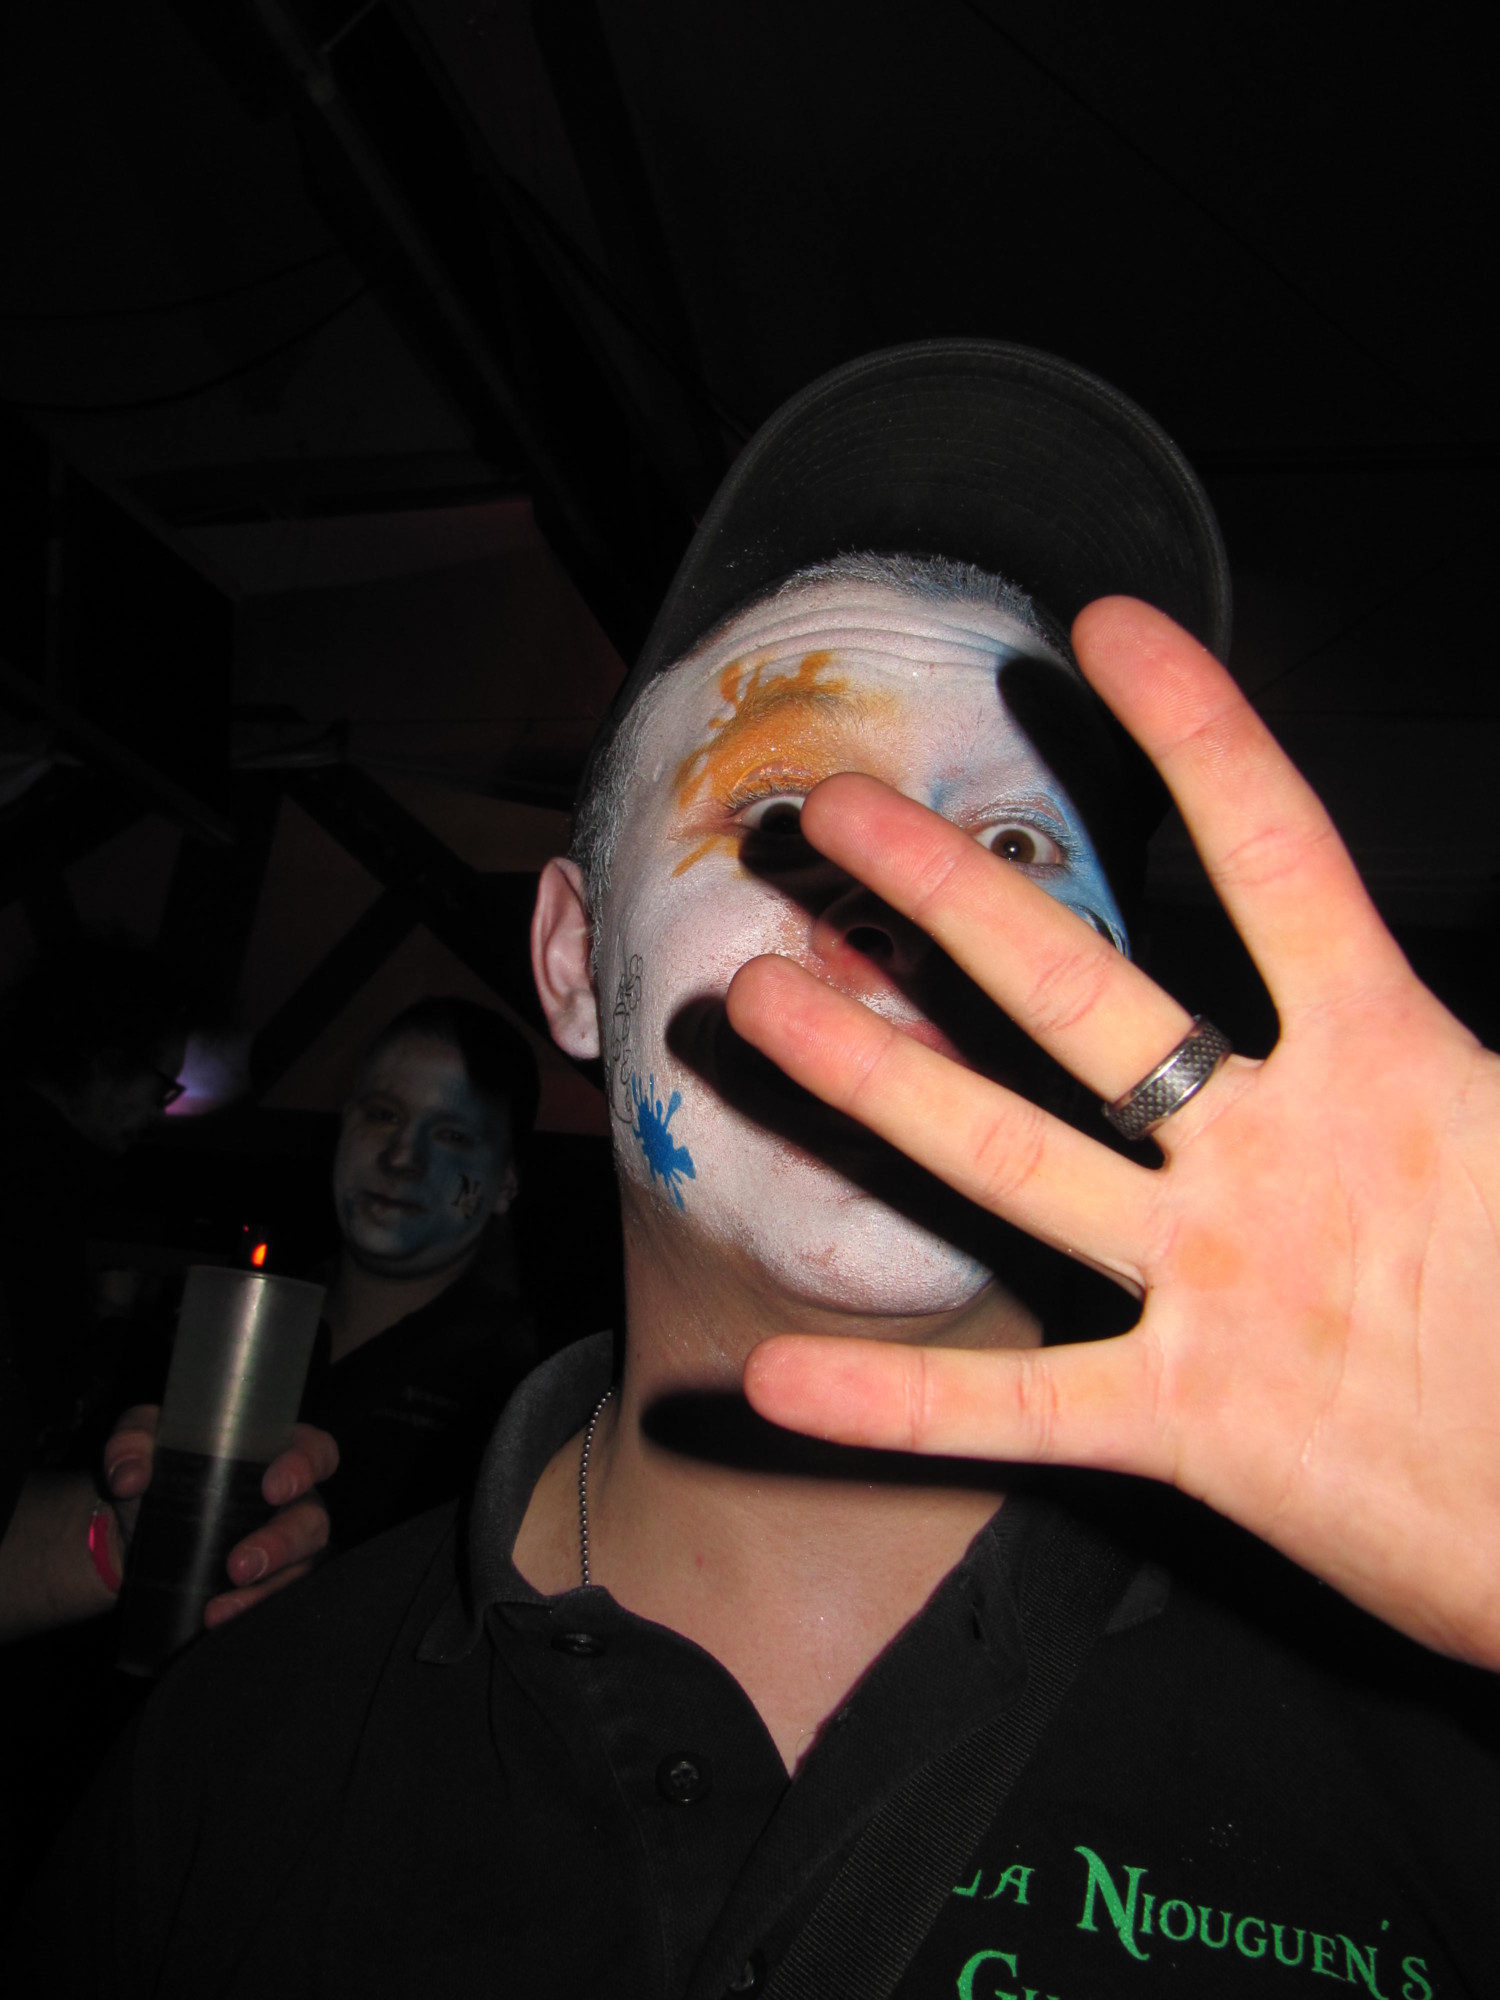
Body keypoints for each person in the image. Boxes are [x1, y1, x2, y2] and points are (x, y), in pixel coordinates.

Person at [15, 342, 1500, 1997]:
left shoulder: (1438, 1699)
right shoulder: (243, 1760)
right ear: (574, 962)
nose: (907, 907)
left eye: (1016, 845)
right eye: (782, 812)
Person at [302, 997, 540, 1548]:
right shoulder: (232, 1323)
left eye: (453, 1135)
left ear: (505, 1183)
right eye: (383, 1115)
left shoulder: (518, 1404)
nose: (402, 1158)